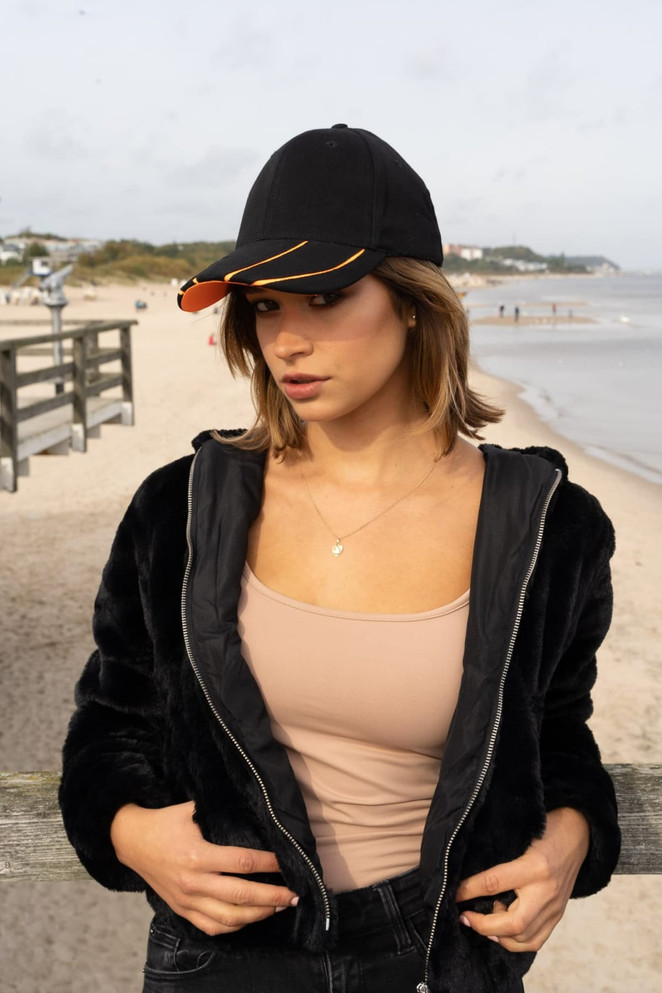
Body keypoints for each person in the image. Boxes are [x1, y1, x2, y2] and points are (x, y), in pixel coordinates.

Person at [59, 125, 619, 993]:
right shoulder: (180, 510)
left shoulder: (551, 526)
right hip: (222, 957)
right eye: (266, 304)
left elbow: (555, 728)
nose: (286, 339)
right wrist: (128, 832)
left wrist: (575, 836)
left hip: (441, 957)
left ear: (411, 300)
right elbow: (110, 719)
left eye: (323, 298)